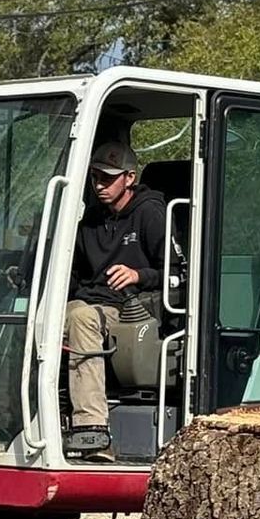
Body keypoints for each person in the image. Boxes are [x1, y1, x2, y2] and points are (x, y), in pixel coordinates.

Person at [65, 139, 167, 461]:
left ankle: (92, 431)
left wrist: (139, 275)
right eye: (95, 177)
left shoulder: (151, 214)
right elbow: (74, 275)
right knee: (41, 315)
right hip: (87, 301)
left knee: (81, 319)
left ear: (129, 178)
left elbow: (177, 272)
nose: (99, 185)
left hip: (129, 308)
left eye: (108, 178)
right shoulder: (89, 222)